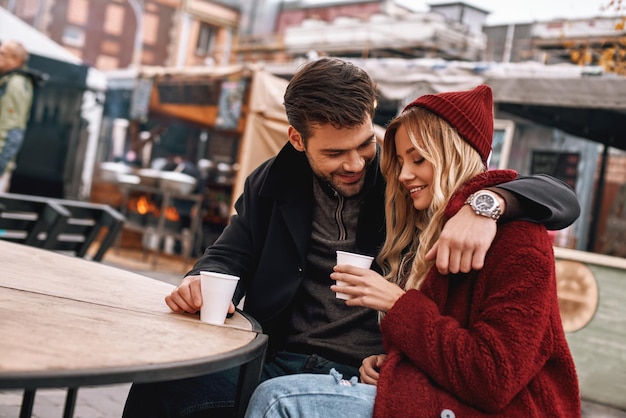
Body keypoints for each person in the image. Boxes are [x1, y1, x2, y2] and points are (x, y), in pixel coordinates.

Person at [123, 58, 580, 417]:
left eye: (364, 144)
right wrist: (202, 279)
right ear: (298, 141)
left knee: (279, 403)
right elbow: (230, 254)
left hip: (367, 367)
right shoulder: (273, 182)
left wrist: (490, 204)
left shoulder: (402, 179)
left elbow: (554, 195)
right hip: (280, 352)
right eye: (335, 153)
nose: (357, 164)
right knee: (162, 388)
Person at [243, 85, 580, 418]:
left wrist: (397, 304)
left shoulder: (518, 238)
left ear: (453, 155)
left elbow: (492, 378)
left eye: (418, 159)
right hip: (430, 391)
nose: (403, 175)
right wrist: (393, 364)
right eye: (400, 161)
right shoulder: (423, 226)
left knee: (278, 400)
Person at [0, 40, 43, 192]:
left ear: (16, 60)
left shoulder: (16, 84)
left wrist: (1, 166)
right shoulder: (8, 80)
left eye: (3, 54)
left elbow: (13, 129)